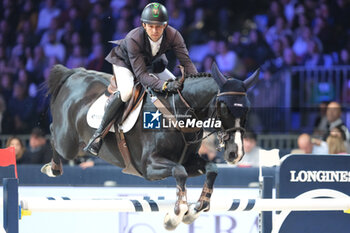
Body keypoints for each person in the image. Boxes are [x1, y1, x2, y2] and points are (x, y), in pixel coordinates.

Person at [84, 2, 197, 156]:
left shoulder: (174, 35)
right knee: (126, 92)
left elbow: (187, 63)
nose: (155, 30)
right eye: (151, 26)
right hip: (125, 64)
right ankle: (98, 135)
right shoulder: (133, 38)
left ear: (165, 25)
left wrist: (196, 83)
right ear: (143, 25)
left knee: (178, 89)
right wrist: (164, 86)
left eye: (159, 26)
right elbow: (142, 76)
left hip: (150, 64)